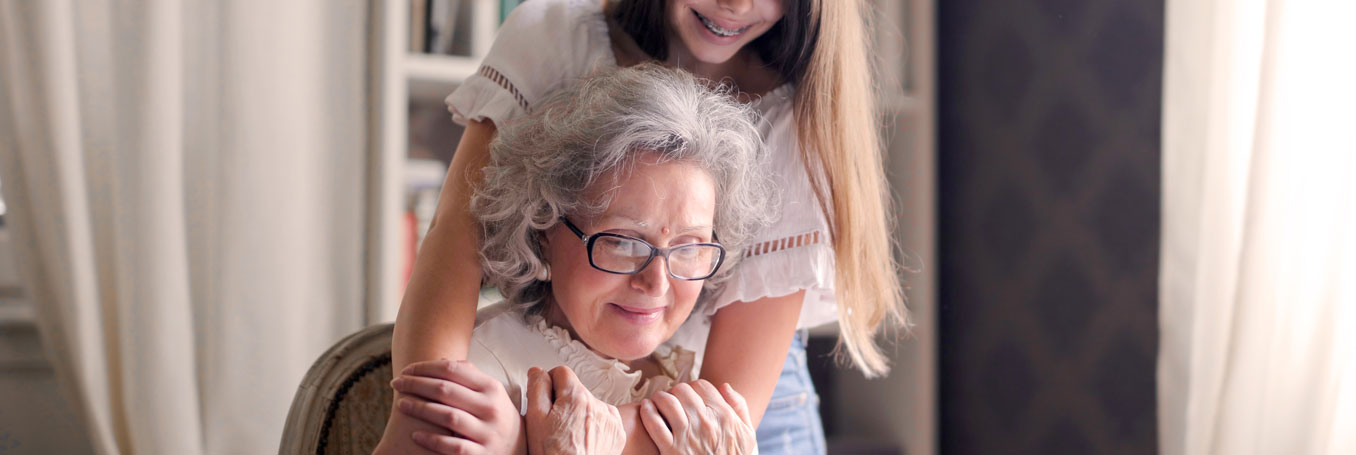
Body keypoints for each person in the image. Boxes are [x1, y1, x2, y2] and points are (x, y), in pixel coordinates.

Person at [380, 0, 908, 453]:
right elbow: (458, 232)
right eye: (623, 242)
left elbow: (716, 417)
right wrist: (448, 409)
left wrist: (525, 439)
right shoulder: (557, 37)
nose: (733, 4)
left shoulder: (795, 124)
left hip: (727, 402)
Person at [381, 64, 770, 454]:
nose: (657, 283)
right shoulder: (478, 377)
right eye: (622, 242)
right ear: (544, 229)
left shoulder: (698, 387)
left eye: (688, 247)